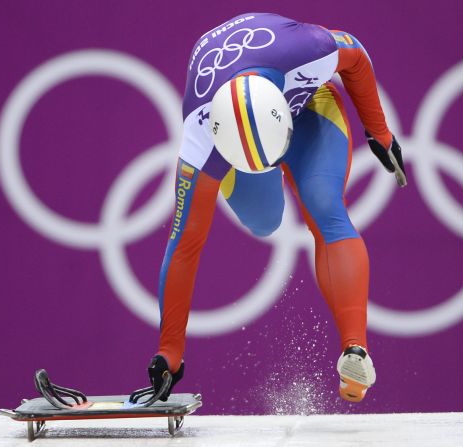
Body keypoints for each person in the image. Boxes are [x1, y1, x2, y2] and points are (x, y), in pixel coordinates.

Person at [146, 12, 407, 403]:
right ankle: (253, 165)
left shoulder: (310, 49)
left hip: (308, 108)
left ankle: (356, 349)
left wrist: (379, 131)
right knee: (265, 220)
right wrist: (170, 353)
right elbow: (183, 247)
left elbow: (356, 56)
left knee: (324, 206)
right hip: (238, 127)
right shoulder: (200, 141)